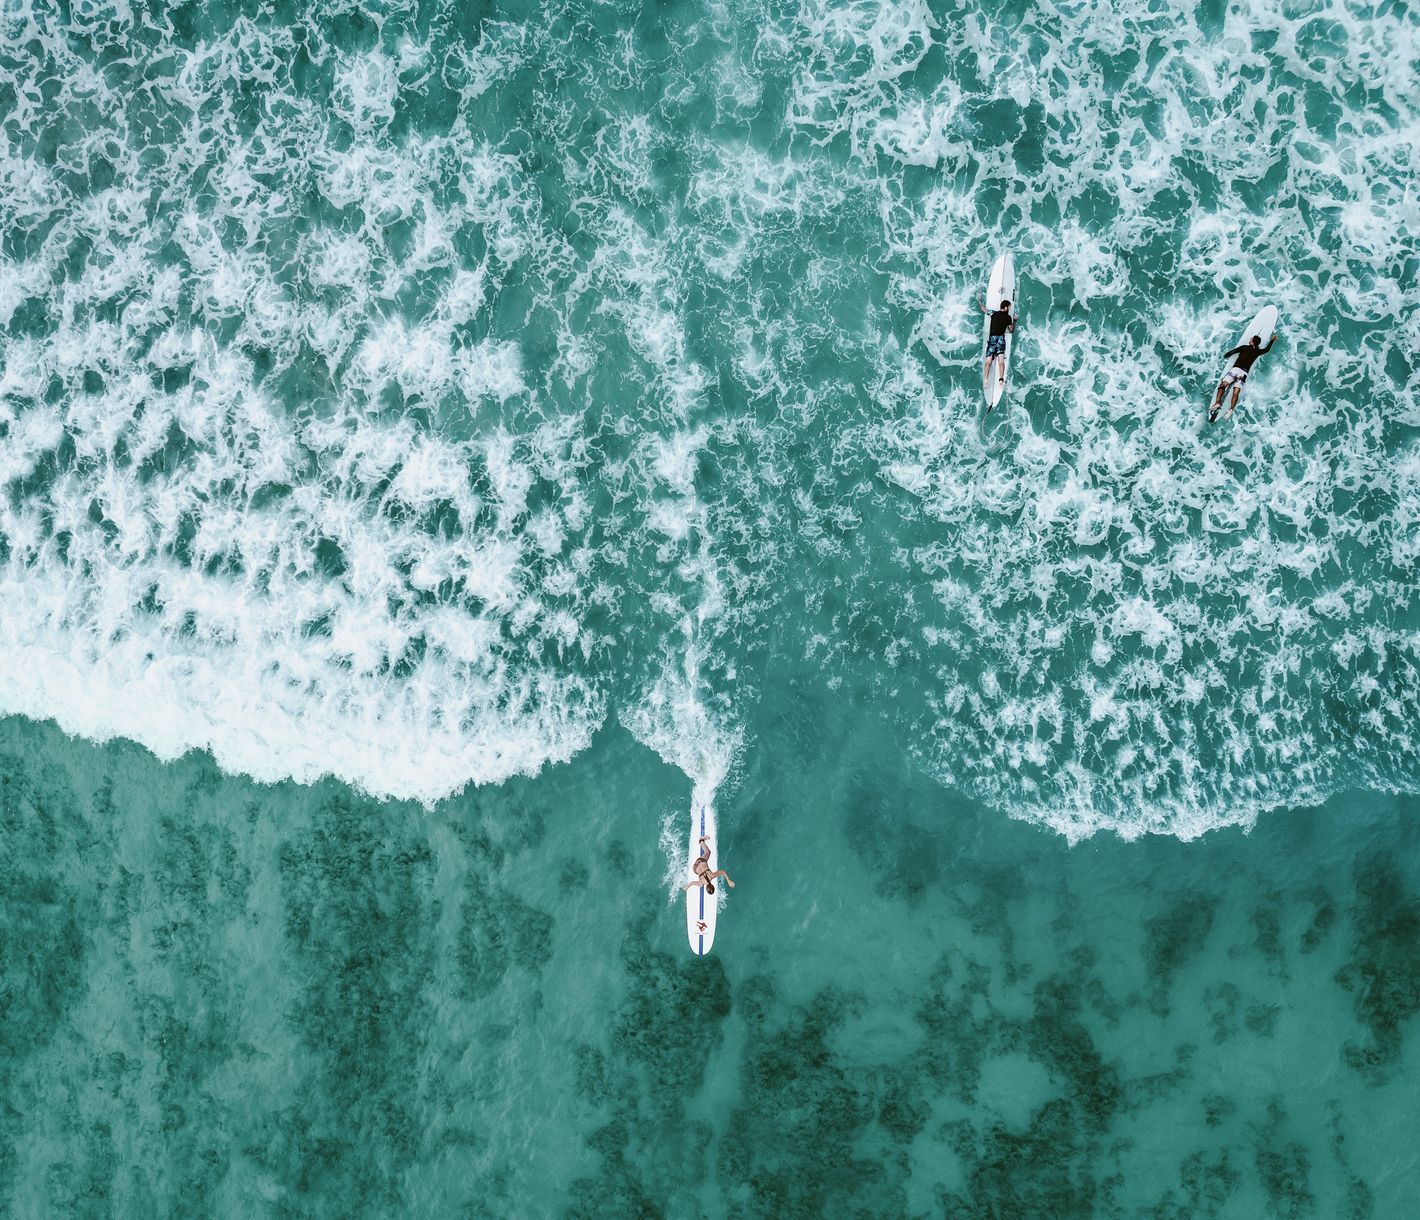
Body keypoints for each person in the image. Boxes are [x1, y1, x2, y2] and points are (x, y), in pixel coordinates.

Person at [1211, 331, 1277, 422]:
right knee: (1236, 392)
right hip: (1243, 374)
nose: (1249, 340)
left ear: (1252, 342)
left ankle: (1218, 403)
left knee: (1222, 385)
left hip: (1235, 370)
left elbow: (1232, 352)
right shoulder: (1258, 352)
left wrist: (1225, 355)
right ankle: (1231, 410)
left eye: (1251, 339)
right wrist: (1272, 340)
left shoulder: (1244, 347)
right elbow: (1266, 350)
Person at [978, 296, 1015, 405]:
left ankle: (985, 380)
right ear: (1006, 307)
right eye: (1009, 306)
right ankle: (1000, 380)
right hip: (1000, 339)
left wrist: (980, 302)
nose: (1009, 308)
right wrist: (1015, 320)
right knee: (1001, 361)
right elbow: (1011, 330)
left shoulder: (993, 313)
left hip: (992, 339)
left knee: (988, 361)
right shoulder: (1008, 318)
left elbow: (984, 310)